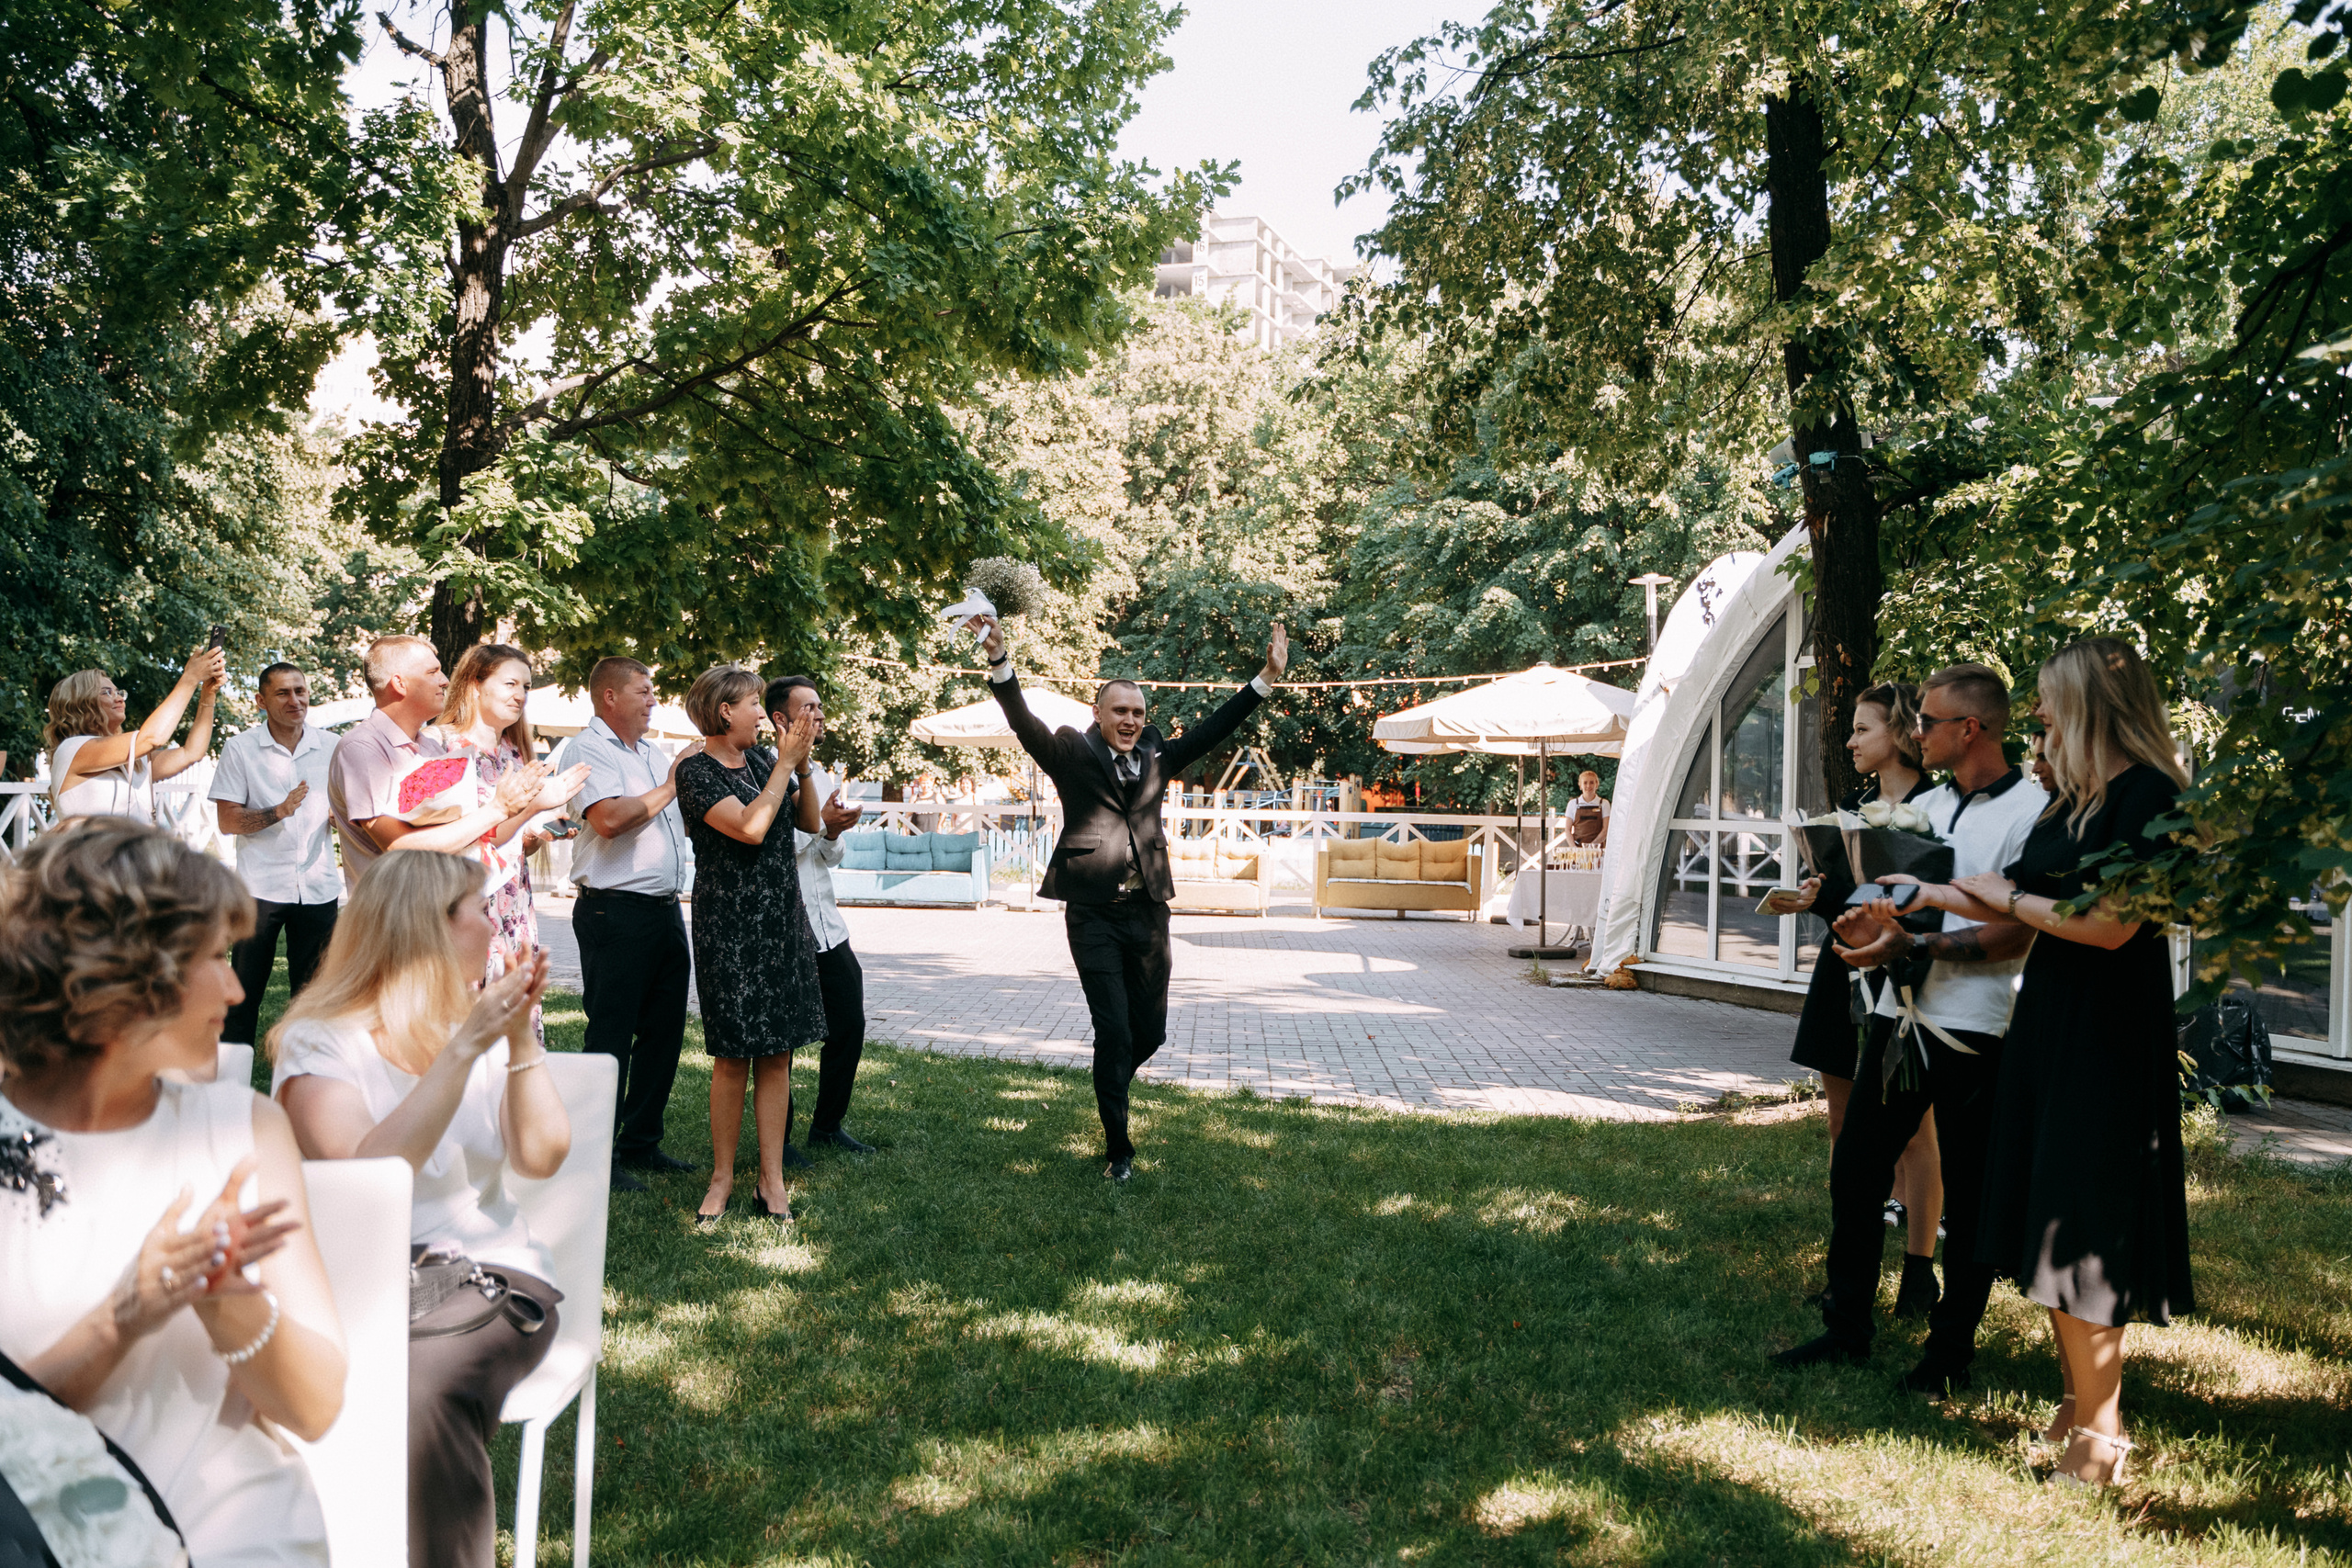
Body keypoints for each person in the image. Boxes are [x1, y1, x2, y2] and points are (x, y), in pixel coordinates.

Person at [0, 820, 345, 1566]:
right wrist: (122, 1318)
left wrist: (229, 1304)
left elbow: (316, 1408)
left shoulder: (244, 1128)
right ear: (125, 975)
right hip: (31, 1531)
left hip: (234, 1532)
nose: (237, 987)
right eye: (215, 957)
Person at [1893, 637, 2192, 1487]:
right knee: (2046, 1212)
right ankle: (2075, 1403)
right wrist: (1908, 895)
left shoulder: (2149, 796)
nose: (2039, 713)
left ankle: (2102, 1438)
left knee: (2084, 1220)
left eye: (2049, 698)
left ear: (2091, 700)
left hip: (2108, 1031)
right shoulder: (2076, 799)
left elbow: (2111, 927)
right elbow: (2000, 886)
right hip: (2051, 1023)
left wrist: (2013, 898)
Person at [269, 850, 570, 1568]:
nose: (495, 924)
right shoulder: (321, 1041)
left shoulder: (478, 1029)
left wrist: (517, 1038)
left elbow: (542, 1155)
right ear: (426, 928)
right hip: (360, 1279)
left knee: (418, 1384)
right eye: (478, 909)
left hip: (489, 1274)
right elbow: (370, 1177)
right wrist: (464, 1047)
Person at [1772, 664, 2046, 1390]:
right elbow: (1899, 901)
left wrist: (1916, 946)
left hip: (1974, 1028)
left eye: (1928, 720)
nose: (1916, 730)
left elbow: (2018, 931)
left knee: (1970, 1192)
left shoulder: (2029, 811)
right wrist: (1866, 922)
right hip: (1898, 1017)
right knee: (1857, 1169)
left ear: (1970, 728)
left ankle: (1949, 1354)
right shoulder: (1927, 804)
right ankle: (1846, 1327)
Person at [974, 612, 1287, 1181]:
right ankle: (1119, 1150)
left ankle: (1110, 1077)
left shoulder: (1157, 754)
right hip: (1092, 914)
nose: (1130, 721)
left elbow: (1213, 730)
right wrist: (1000, 661)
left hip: (1148, 913)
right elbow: (1024, 723)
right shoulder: (1071, 751)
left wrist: (1264, 679)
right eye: (1120, 711)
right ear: (1098, 713)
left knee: (1149, 1033)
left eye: (1138, 713)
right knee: (1114, 1031)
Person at [1770, 682, 1943, 1281]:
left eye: (1862, 729)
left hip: (1906, 973)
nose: (1850, 741)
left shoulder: (1940, 809)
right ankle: (1845, 1260)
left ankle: (1920, 1268)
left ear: (1900, 733)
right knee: (1840, 1119)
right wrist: (1815, 894)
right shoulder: (1851, 806)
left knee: (1915, 1131)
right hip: (1841, 968)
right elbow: (1844, 898)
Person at [673, 665, 825, 1224]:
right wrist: (786, 764)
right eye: (753, 705)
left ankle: (771, 1180)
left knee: (778, 1053)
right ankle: (722, 1178)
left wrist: (799, 766)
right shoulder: (695, 771)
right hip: (729, 926)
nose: (763, 714)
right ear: (724, 711)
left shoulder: (764, 760)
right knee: (733, 1056)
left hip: (781, 920)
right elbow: (750, 827)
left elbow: (810, 821)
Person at [558, 657, 704, 1192]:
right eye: (643, 691)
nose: (653, 701)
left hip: (664, 910)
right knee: (611, 1034)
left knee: (664, 1033)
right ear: (610, 697)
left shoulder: (650, 752)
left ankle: (641, 1142)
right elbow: (610, 820)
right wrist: (672, 782)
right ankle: (595, 1155)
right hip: (613, 911)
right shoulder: (587, 748)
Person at [431, 645, 592, 1047]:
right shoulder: (441, 745)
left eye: (527, 686)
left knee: (513, 1028)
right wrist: (535, 806)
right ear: (474, 684)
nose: (520, 694)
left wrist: (538, 832)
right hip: (460, 903)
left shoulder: (514, 753)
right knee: (463, 1025)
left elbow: (514, 842)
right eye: (510, 683)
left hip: (512, 904)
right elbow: (457, 837)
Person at [328, 635, 558, 889]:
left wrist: (532, 808)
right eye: (432, 672)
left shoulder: (429, 747)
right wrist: (500, 809)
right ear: (400, 684)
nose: (445, 680)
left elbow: (469, 837)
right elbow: (398, 846)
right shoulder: (362, 748)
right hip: (390, 911)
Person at [770, 675, 876, 1155]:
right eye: (808, 708)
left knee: (849, 1025)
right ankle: (780, 1139)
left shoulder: (820, 774)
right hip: (782, 928)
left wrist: (832, 833)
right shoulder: (763, 769)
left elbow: (829, 857)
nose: (819, 714)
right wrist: (819, 827)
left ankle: (827, 1127)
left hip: (828, 926)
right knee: (784, 1040)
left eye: (819, 706)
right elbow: (770, 845)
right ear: (780, 718)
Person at [212, 661, 342, 1045]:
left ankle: (303, 1072)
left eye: (300, 691)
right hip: (260, 888)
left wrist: (341, 818)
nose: (294, 700)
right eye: (282, 693)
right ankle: (232, 1077)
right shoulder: (241, 749)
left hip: (318, 886)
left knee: (314, 999)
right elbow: (228, 821)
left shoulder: (332, 746)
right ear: (261, 701)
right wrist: (279, 811)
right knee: (243, 997)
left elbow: (345, 809)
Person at [44, 646, 226, 823]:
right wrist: (190, 679)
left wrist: (208, 694)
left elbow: (191, 752)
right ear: (80, 704)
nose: (119, 698)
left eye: (119, 692)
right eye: (107, 692)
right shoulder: (71, 750)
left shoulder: (135, 762)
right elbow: (152, 738)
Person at [1568, 769, 1610, 850]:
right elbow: (1567, 829)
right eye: (1585, 783)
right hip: (1578, 849)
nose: (1588, 786)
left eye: (1592, 782)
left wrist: (1591, 847)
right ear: (1580, 786)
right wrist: (1574, 848)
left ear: (1597, 785)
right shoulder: (1573, 804)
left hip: (1597, 850)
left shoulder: (1604, 803)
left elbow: (1605, 830)